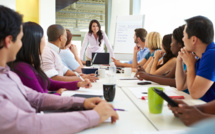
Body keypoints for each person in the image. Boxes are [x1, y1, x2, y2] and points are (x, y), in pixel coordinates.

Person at [0, 5, 118, 134]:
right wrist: (95, 115)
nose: (21, 44)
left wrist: (83, 102)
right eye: (20, 39)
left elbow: (37, 99)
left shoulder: (8, 74)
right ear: (9, 41)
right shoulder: (18, 69)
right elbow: (29, 124)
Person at [10, 22, 91, 95]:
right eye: (43, 38)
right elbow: (40, 99)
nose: (45, 42)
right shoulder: (23, 68)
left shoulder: (31, 65)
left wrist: (78, 83)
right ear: (35, 42)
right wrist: (58, 94)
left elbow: (49, 83)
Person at [175, 16, 215, 102]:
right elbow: (181, 86)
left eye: (184, 35)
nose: (183, 39)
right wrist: (179, 60)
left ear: (193, 39)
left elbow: (195, 94)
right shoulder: (201, 57)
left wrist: (190, 65)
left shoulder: (212, 55)